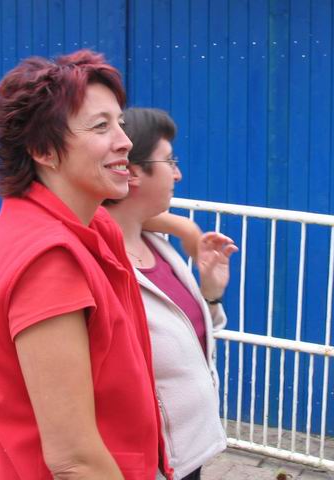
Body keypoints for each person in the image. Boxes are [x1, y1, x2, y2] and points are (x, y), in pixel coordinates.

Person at [0, 51, 174, 479]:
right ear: (44, 150)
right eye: (101, 126)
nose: (125, 140)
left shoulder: (85, 224)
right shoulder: (48, 262)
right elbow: (74, 460)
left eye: (120, 122)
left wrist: (185, 230)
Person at [104, 108, 238, 480]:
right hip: (147, 463)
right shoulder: (102, 267)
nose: (177, 174)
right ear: (132, 172)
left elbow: (189, 341)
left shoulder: (156, 245)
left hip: (187, 454)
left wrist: (211, 295)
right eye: (170, 161)